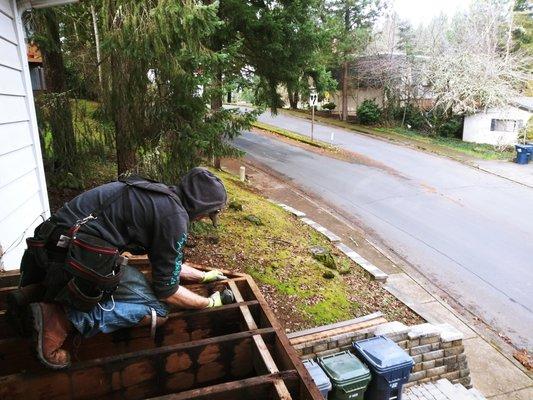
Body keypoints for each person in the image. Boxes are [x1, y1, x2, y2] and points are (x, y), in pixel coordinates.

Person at [7, 167, 229, 369]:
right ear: (200, 207)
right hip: (75, 255)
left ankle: (34, 293)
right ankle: (60, 318)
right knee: (158, 310)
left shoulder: (158, 195)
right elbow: (167, 290)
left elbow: (169, 263)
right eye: (207, 213)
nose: (202, 218)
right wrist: (208, 303)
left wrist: (203, 276)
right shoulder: (174, 218)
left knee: (125, 273)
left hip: (51, 246)